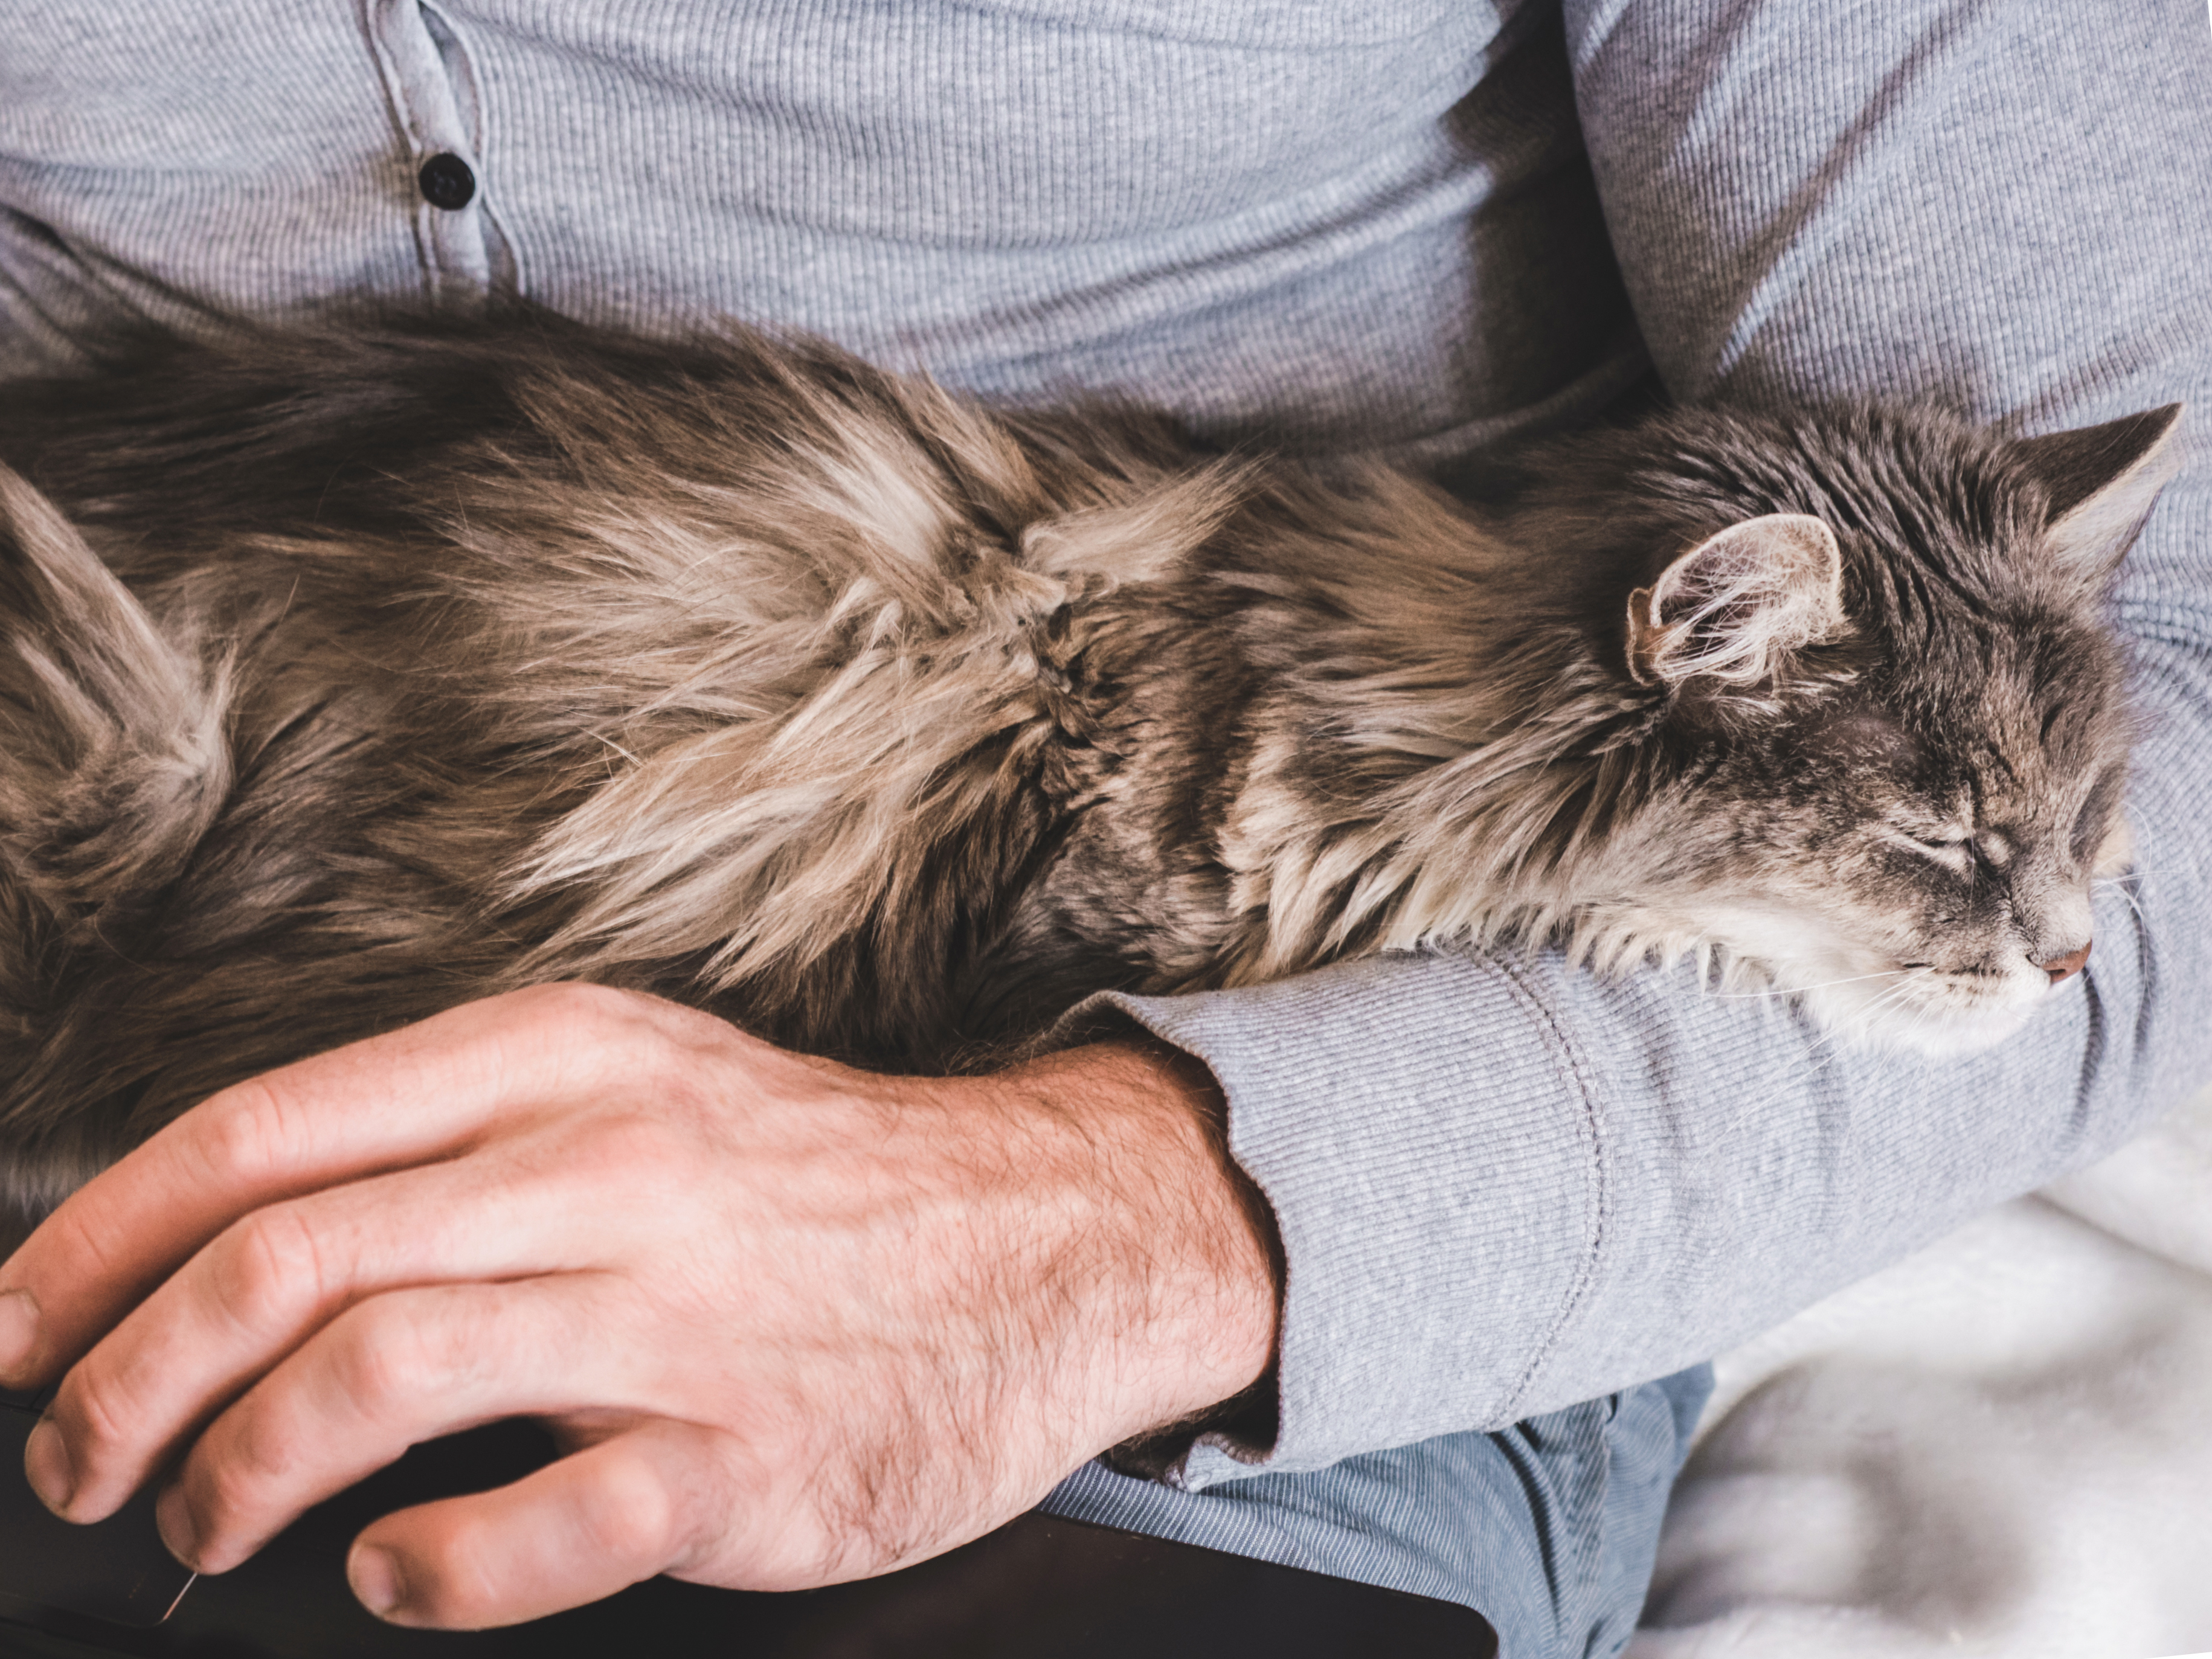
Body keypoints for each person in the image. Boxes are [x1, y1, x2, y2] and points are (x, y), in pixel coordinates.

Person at [0, 1, 2205, 1654]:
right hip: (117, 759)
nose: (2046, 938)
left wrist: (1152, 1214)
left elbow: (2180, 669)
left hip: (1265, 1085)